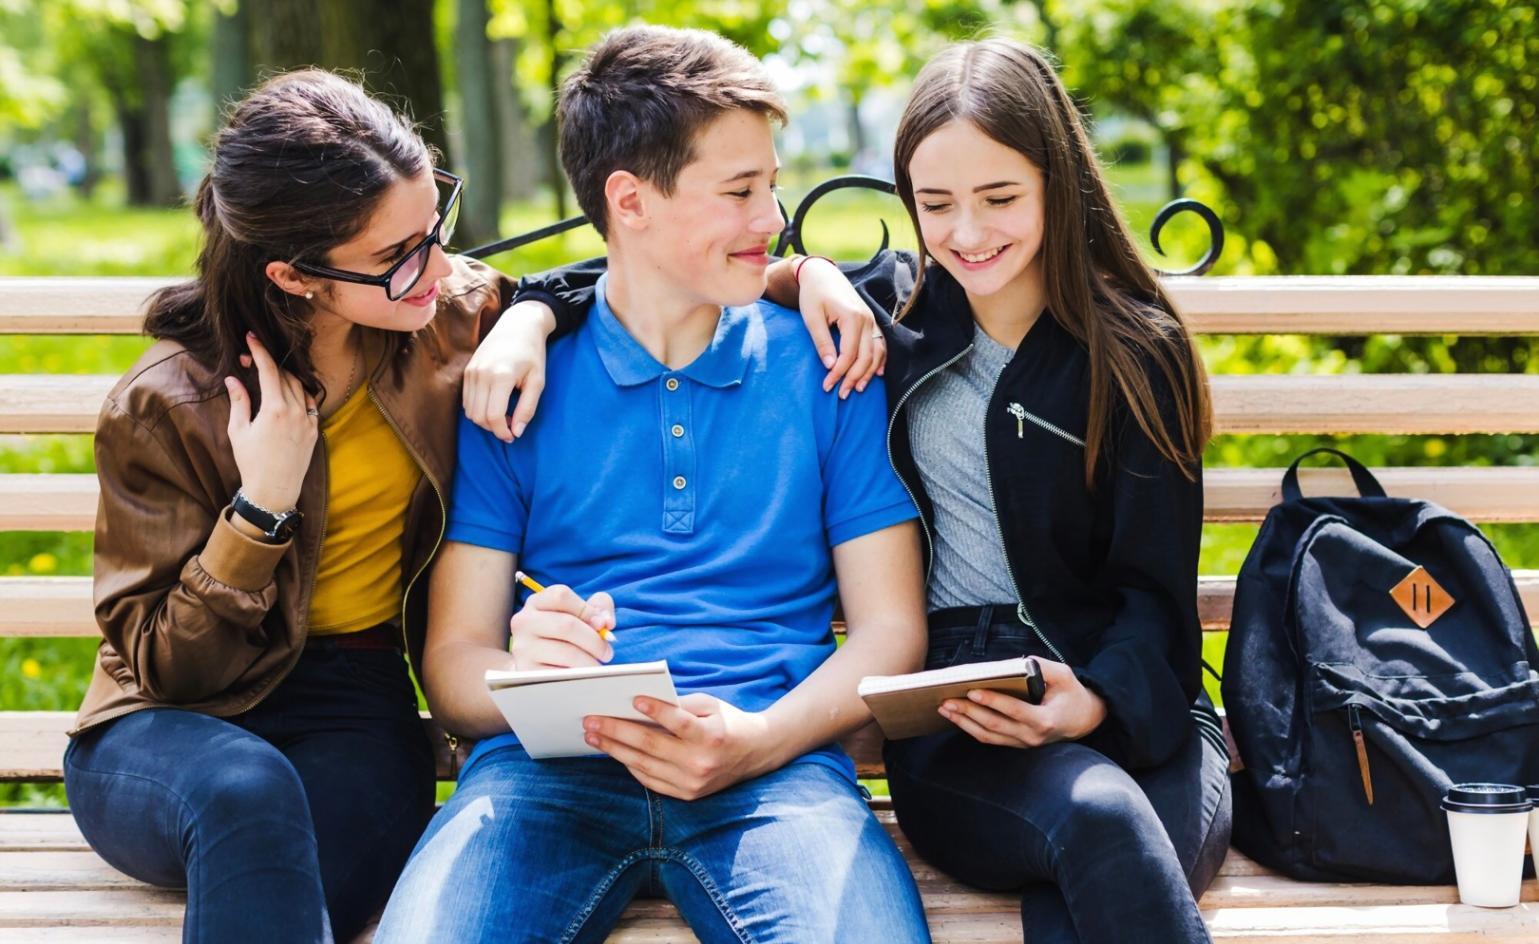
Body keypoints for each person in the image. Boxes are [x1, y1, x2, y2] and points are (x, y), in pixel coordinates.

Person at [501, 36, 1233, 944]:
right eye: (935, 204)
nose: (967, 233)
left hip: (1123, 702)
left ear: (1059, 182)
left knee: (1091, 860)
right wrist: (530, 313)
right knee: (1094, 835)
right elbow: (651, 272)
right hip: (960, 709)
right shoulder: (890, 320)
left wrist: (1095, 699)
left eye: (1001, 198)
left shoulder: (1133, 356)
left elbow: (1155, 597)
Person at [373, 26, 932, 944]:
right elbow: (455, 663)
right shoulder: (516, 384)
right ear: (628, 200)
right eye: (740, 191)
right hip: (541, 776)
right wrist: (523, 669)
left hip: (777, 770)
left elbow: (889, 628)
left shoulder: (826, 368)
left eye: (771, 185)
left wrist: (759, 741)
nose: (773, 218)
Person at [62, 69, 559, 944]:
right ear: (293, 276)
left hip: (352, 700)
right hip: (163, 728)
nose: (437, 267)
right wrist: (260, 509)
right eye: (396, 255)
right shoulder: (169, 404)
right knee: (246, 799)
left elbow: (623, 279)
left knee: (292, 874)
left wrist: (531, 320)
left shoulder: (442, 317)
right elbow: (164, 668)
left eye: (433, 227)